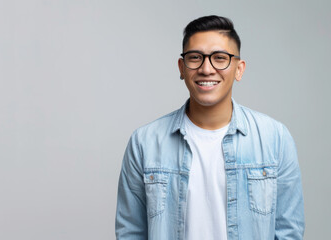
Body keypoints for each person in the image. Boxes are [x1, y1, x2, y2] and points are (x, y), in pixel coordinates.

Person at [115, 15, 305, 240]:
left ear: (239, 69)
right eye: (195, 57)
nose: (207, 69)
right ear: (182, 67)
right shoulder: (144, 143)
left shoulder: (275, 139)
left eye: (220, 58)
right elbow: (131, 232)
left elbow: (288, 232)